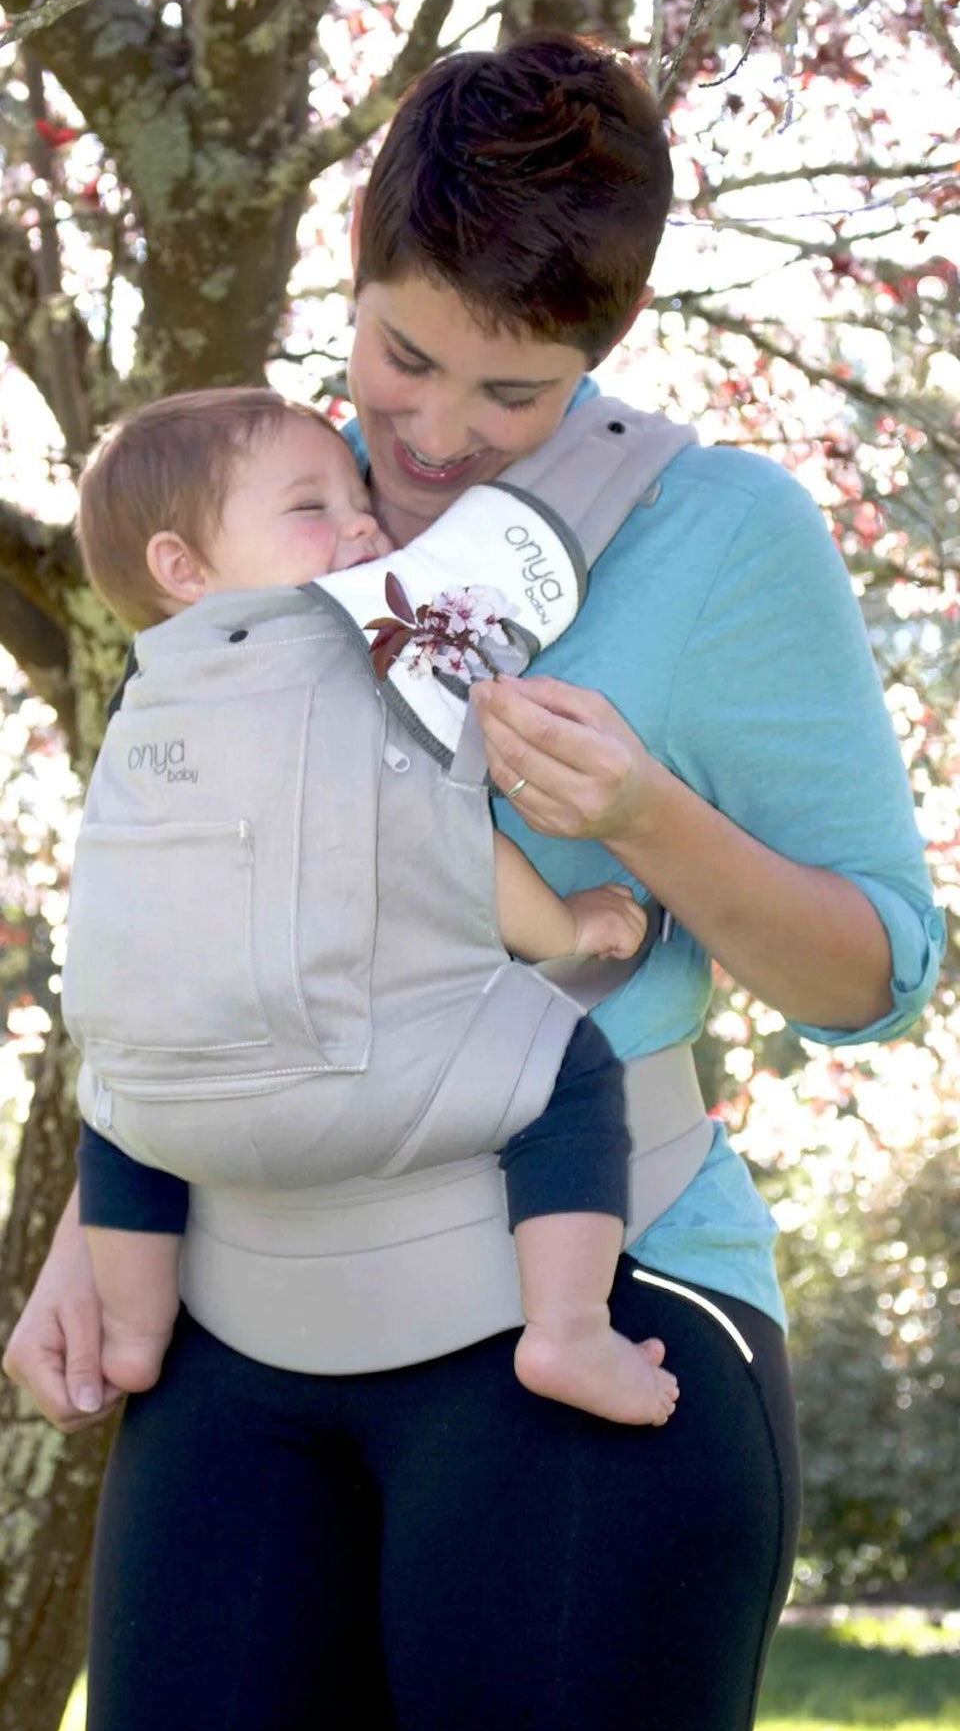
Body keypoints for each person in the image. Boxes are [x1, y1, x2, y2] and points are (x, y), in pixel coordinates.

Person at [5, 30, 943, 1731]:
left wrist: (648, 815)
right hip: (243, 1329)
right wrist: (104, 1205)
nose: (432, 436)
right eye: (400, 358)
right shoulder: (260, 504)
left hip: (590, 1292)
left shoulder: (721, 535)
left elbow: (876, 971)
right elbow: (210, 907)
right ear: (356, 282)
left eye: (509, 392)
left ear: (603, 346)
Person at [69, 383, 672, 1427]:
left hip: (164, 1121)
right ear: (181, 566)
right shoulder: (367, 654)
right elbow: (451, 852)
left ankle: (127, 1328)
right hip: (349, 1089)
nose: (358, 525)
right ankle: (567, 1327)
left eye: (356, 498)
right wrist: (573, 929)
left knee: (111, 1101)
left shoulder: (138, 708)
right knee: (569, 1075)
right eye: (310, 508)